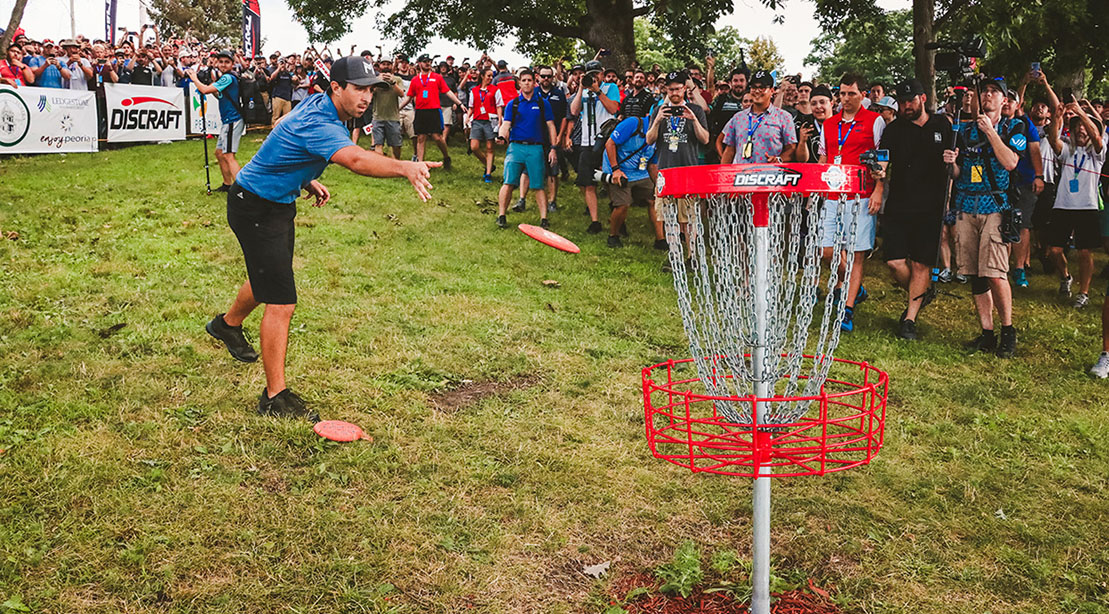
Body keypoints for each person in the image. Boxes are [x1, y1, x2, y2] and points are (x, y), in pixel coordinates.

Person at [205, 56, 437, 420]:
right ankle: (274, 397)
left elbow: (283, 127)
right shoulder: (320, 120)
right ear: (336, 88)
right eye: (358, 89)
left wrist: (302, 176)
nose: (366, 97)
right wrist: (404, 166)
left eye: (370, 90)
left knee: (267, 275)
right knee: (281, 301)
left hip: (277, 202)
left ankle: (226, 325)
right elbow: (357, 161)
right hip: (255, 207)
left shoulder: (321, 105)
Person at [943, 76, 1025, 357]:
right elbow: (958, 173)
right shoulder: (965, 133)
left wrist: (991, 132)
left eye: (994, 92)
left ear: (1005, 101)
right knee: (975, 273)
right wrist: (951, 164)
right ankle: (986, 333)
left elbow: (1011, 162)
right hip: (966, 205)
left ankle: (1008, 330)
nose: (988, 95)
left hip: (995, 206)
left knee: (995, 273)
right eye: (985, 91)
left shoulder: (1014, 127)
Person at [873, 79, 953, 340]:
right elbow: (883, 162)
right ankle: (920, 292)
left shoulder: (943, 125)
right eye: (902, 102)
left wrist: (952, 166)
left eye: (911, 100)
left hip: (931, 206)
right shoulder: (893, 129)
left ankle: (910, 318)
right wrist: (879, 174)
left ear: (923, 99)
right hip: (899, 204)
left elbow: (955, 168)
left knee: (921, 263)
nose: (907, 106)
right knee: (895, 263)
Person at [818, 73, 886, 333]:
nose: (845, 99)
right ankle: (853, 286)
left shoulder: (874, 121)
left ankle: (847, 309)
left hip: (861, 195)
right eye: (842, 94)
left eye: (851, 94)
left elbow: (881, 160)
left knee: (856, 253)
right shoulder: (829, 123)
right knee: (825, 249)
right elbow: (824, 158)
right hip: (832, 195)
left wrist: (879, 189)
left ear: (863, 95)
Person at [1044, 100, 1104, 309]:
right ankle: (1065, 277)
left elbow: (1096, 137)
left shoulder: (1097, 152)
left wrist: (1081, 113)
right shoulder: (1068, 149)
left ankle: (1084, 292)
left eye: (1084, 127)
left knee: (1084, 252)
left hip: (1087, 207)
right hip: (1063, 205)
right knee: (1053, 250)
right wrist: (1058, 117)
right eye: (1077, 126)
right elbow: (1053, 139)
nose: (1081, 130)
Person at [646, 71, 710, 267]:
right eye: (670, 89)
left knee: (689, 217)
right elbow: (649, 139)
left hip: (688, 170)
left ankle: (691, 256)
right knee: (668, 216)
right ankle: (674, 254)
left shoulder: (695, 110)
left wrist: (693, 120)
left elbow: (705, 139)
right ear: (666, 90)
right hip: (666, 170)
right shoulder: (660, 110)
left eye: (678, 88)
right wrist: (657, 120)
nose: (674, 92)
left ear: (684, 89)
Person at [494, 69, 558, 230]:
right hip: (515, 147)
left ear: (534, 82)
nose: (527, 83)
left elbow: (551, 126)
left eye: (530, 80)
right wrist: (501, 136)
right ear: (520, 83)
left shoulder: (543, 103)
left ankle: (544, 218)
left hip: (536, 148)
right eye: (524, 80)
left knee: (538, 185)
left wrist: (553, 148)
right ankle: (501, 215)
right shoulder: (513, 104)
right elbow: (506, 124)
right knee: (508, 182)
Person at [569, 60, 621, 234]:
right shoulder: (583, 90)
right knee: (588, 182)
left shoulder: (610, 88)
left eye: (597, 73)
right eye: (591, 74)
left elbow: (613, 109)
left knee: (610, 181)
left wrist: (597, 90)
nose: (594, 77)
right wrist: (580, 89)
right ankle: (595, 220)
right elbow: (574, 111)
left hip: (606, 140)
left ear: (602, 73)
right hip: (586, 141)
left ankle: (618, 216)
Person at [188, 50, 245, 193]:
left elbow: (205, 90)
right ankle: (227, 185)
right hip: (227, 120)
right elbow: (219, 95)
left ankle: (243, 190)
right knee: (219, 153)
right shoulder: (225, 78)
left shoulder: (228, 78)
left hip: (233, 120)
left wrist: (194, 78)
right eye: (221, 62)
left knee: (229, 155)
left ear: (232, 64)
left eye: (227, 62)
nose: (223, 65)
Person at [601, 113, 657, 248]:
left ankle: (660, 240)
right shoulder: (633, 123)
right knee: (623, 205)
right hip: (618, 169)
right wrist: (615, 170)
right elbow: (610, 143)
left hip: (640, 172)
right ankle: (613, 236)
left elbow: (653, 163)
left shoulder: (660, 133)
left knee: (654, 200)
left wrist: (657, 184)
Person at [720, 70, 797, 164]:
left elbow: (791, 148)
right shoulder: (737, 118)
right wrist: (723, 175)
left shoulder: (783, 117)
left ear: (772, 90)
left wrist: (779, 159)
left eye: (762, 87)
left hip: (771, 175)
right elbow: (730, 150)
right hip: (742, 176)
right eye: (754, 87)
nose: (757, 91)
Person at [407, 54, 463, 168]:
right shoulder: (415, 80)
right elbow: (409, 97)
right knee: (421, 137)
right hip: (420, 111)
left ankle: (446, 157)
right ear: (419, 63)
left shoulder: (437, 77)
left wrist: (459, 103)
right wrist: (399, 108)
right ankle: (420, 165)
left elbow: (448, 92)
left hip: (434, 110)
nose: (427, 63)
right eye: (425, 61)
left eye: (429, 61)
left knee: (437, 137)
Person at [466, 67, 499, 181]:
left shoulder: (495, 89)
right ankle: (488, 164)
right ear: (482, 76)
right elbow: (471, 106)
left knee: (490, 147)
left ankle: (488, 173)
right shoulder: (474, 90)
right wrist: (468, 117)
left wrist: (500, 119)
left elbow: (499, 105)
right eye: (488, 76)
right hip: (477, 119)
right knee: (474, 146)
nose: (490, 78)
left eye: (491, 76)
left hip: (490, 120)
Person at [370, 60, 406, 159]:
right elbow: (369, 93)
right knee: (378, 144)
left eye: (388, 64)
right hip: (378, 117)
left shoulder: (397, 79)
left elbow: (402, 94)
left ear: (392, 66)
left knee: (396, 145)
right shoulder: (374, 79)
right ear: (380, 65)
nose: (386, 66)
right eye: (383, 64)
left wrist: (392, 83)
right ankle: (381, 167)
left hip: (393, 117)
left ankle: (396, 163)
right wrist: (377, 81)